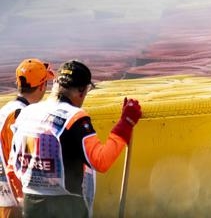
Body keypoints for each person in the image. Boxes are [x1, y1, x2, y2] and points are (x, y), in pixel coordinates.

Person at [9, 60, 142, 218]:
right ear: (82, 91)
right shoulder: (73, 118)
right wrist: (125, 124)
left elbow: (12, 165)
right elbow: (101, 160)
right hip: (65, 207)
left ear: (55, 84)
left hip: (30, 204)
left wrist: (21, 197)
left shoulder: (26, 113)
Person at [0, 59, 55, 218]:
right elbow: (19, 161)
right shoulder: (20, 115)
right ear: (42, 86)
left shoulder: (6, 111)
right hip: (15, 203)